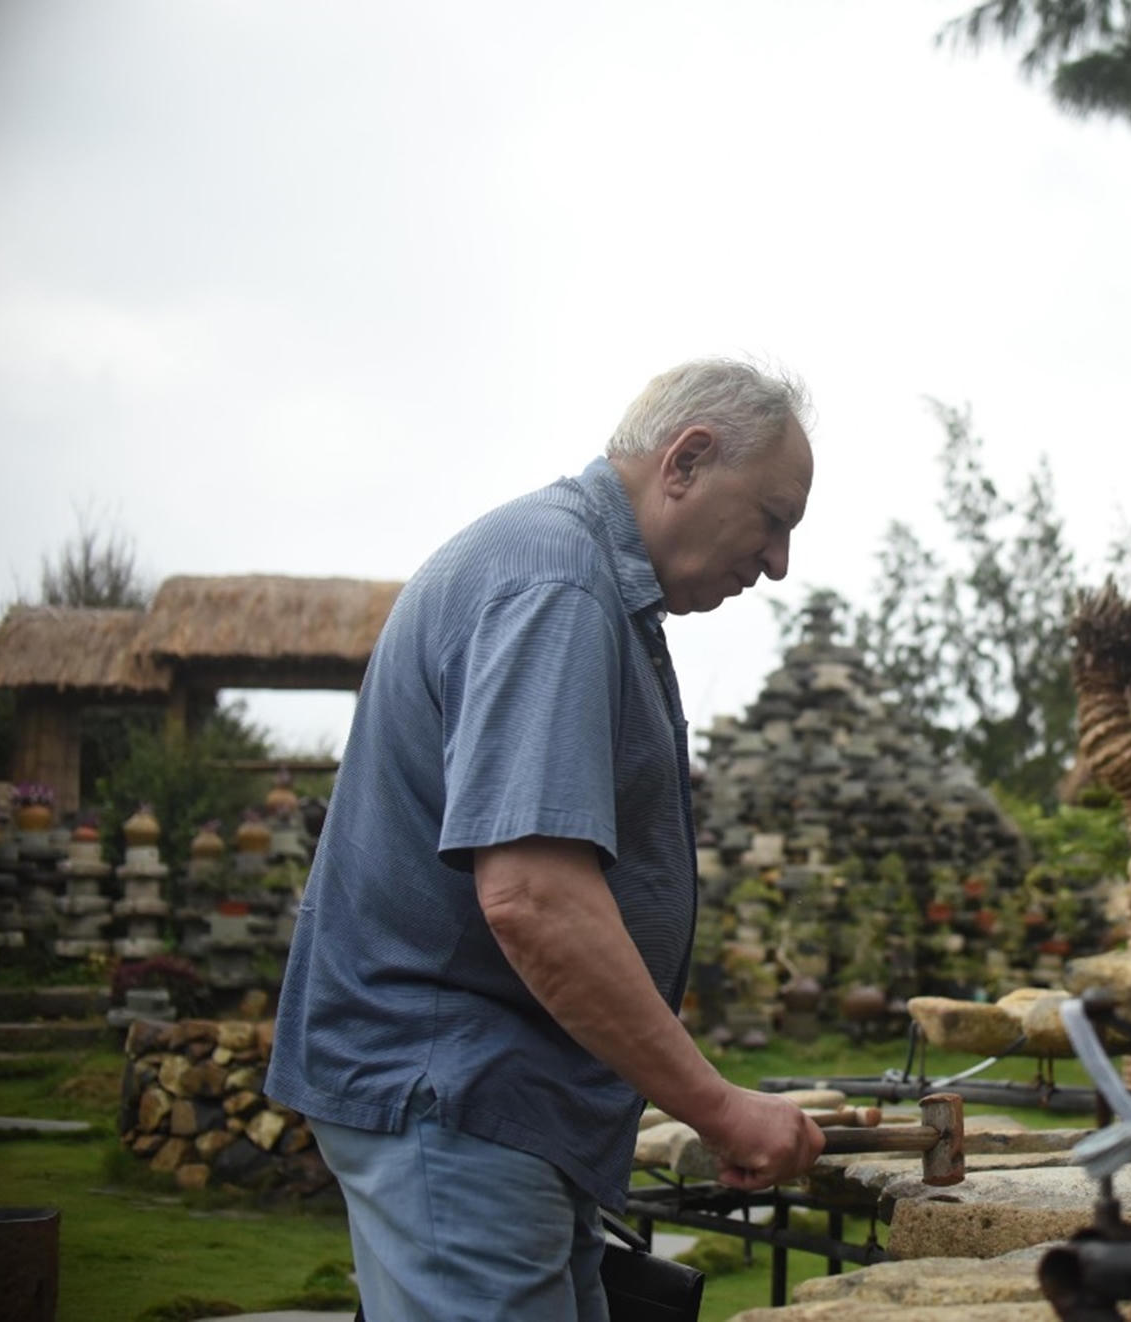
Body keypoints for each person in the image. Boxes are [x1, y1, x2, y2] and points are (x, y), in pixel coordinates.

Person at [267, 358, 827, 1322]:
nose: (778, 561)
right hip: (458, 1094)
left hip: (498, 1105)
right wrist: (721, 1107)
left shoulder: (575, 577)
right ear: (686, 461)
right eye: (773, 519)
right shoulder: (557, 584)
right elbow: (534, 898)